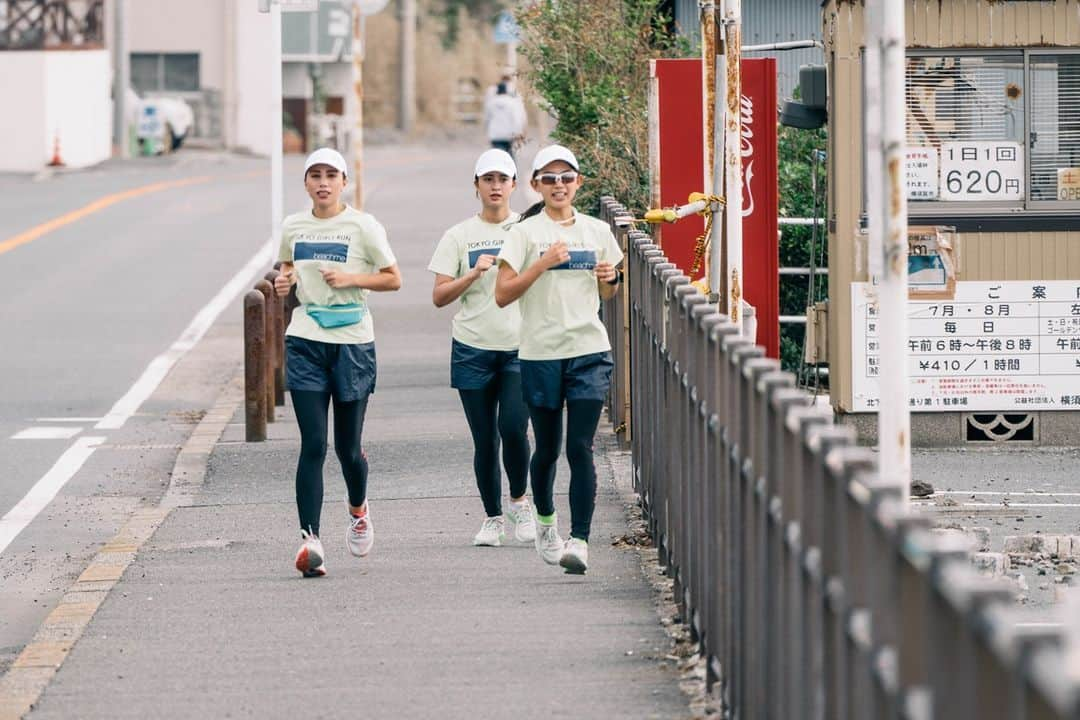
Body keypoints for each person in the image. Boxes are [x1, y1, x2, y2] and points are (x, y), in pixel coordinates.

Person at [494, 144, 623, 574]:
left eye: (566, 178)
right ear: (535, 186)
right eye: (549, 179)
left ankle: (580, 540)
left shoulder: (596, 231)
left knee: (580, 447)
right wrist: (542, 263)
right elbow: (503, 294)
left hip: (588, 350)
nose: (558, 186)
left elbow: (608, 291)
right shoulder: (523, 234)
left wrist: (611, 279)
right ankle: (547, 520)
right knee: (547, 449)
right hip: (540, 353)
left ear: (578, 183)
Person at [274, 147, 402, 577]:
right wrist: (282, 281)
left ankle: (358, 510)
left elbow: (393, 278)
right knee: (313, 444)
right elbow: (286, 267)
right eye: (315, 175)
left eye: (331, 174)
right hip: (306, 338)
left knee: (348, 449)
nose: (323, 182)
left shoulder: (363, 226)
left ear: (344, 182)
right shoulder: (293, 225)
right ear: (306, 183)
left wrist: (351, 279)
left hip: (351, 342)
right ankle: (310, 540)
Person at [427, 149, 536, 548]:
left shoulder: (529, 229)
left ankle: (520, 501)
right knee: (484, 439)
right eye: (487, 180)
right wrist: (473, 273)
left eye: (502, 180)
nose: (495, 187)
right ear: (476, 186)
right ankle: (492, 518)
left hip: (519, 346)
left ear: (513, 185)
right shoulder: (458, 236)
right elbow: (439, 296)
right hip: (472, 346)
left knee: (513, 427)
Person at [483, 82, 527, 158]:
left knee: (496, 156)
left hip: (495, 134)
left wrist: (486, 131)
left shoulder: (491, 102)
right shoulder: (511, 102)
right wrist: (518, 132)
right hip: (509, 134)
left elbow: (487, 119)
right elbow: (516, 119)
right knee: (509, 156)